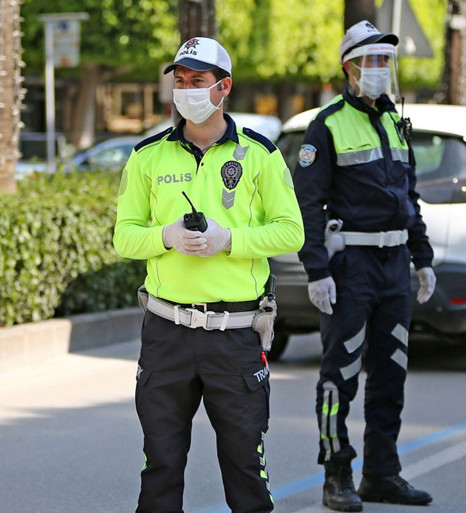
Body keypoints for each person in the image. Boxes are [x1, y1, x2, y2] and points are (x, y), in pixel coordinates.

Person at [113, 37, 304, 513]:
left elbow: (291, 232)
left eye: (197, 81)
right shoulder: (147, 156)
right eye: (179, 81)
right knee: (160, 465)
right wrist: (167, 236)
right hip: (166, 334)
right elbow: (124, 238)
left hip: (235, 335)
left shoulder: (260, 155)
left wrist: (228, 240)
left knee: (245, 468)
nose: (186, 90)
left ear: (224, 87)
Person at [292, 20, 436, 512]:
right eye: (371, 61)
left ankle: (382, 473)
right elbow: (306, 206)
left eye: (386, 61)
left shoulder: (397, 122)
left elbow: (408, 198)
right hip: (351, 267)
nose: (381, 70)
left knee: (391, 373)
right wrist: (316, 271)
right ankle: (337, 476)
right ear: (349, 68)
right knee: (340, 375)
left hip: (395, 265)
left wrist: (423, 258)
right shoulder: (326, 125)